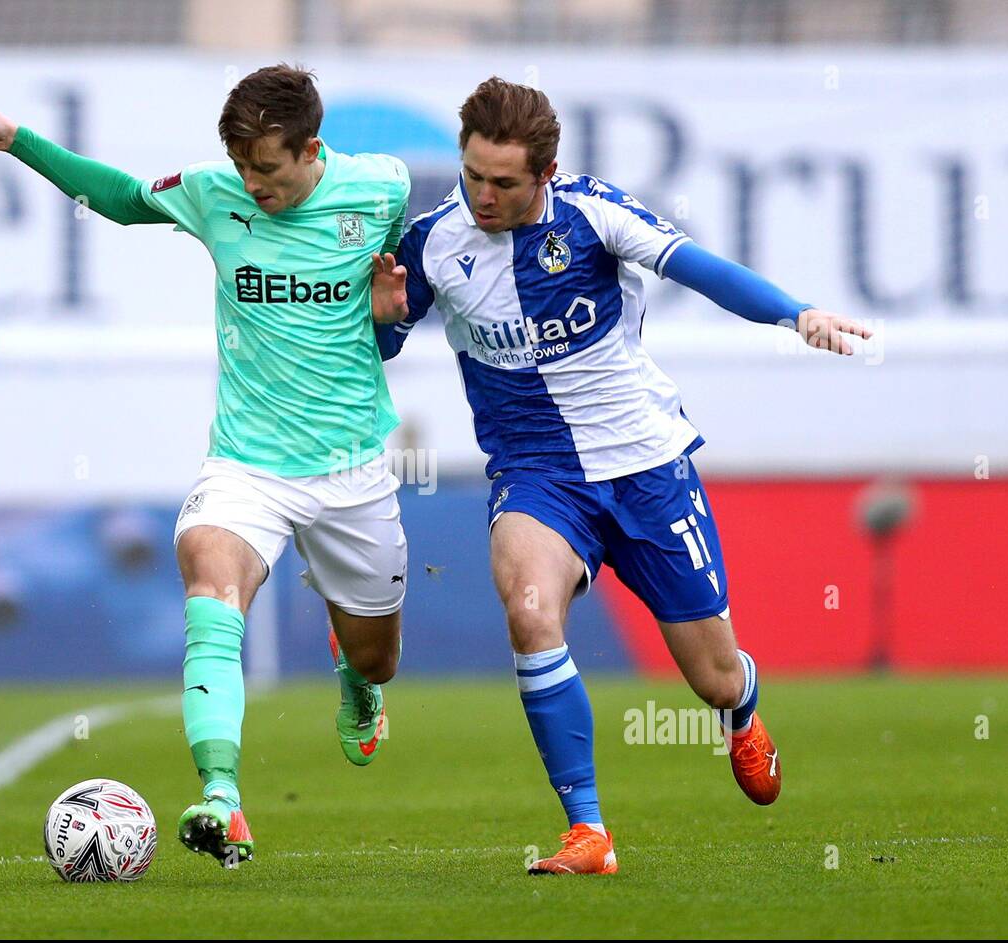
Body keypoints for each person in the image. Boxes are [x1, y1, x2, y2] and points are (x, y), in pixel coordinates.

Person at [372, 77, 871, 875]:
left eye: (503, 182)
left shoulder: (593, 215)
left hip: (645, 469)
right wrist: (385, 321)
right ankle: (589, 831)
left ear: (547, 171)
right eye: (472, 176)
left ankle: (741, 708)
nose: (484, 195)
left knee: (709, 675)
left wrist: (794, 312)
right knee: (531, 612)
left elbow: (702, 270)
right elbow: (384, 346)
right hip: (536, 478)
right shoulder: (435, 241)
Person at [0, 64, 411, 866]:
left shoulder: (383, 190)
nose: (252, 184)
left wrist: (391, 321)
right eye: (243, 167)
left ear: (311, 149)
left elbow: (394, 309)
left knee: (377, 655)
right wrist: (14, 140)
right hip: (247, 466)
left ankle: (357, 684)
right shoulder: (211, 192)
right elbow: (118, 199)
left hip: (352, 469)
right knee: (207, 579)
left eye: (268, 169)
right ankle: (223, 796)